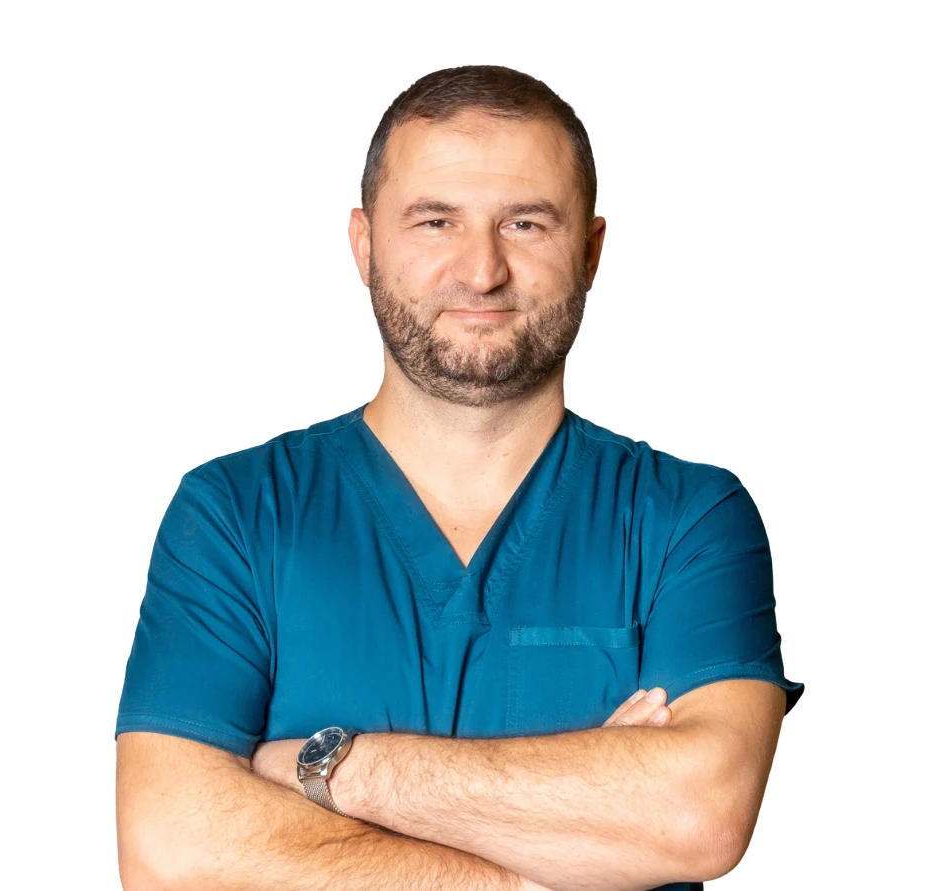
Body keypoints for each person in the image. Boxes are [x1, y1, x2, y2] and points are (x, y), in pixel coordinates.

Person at [115, 64, 802, 891]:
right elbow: (168, 846)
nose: (482, 271)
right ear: (363, 244)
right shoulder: (235, 515)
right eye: (436, 221)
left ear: (592, 250)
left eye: (525, 223)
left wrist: (332, 769)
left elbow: (697, 816)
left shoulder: (687, 521)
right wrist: (544, 869)